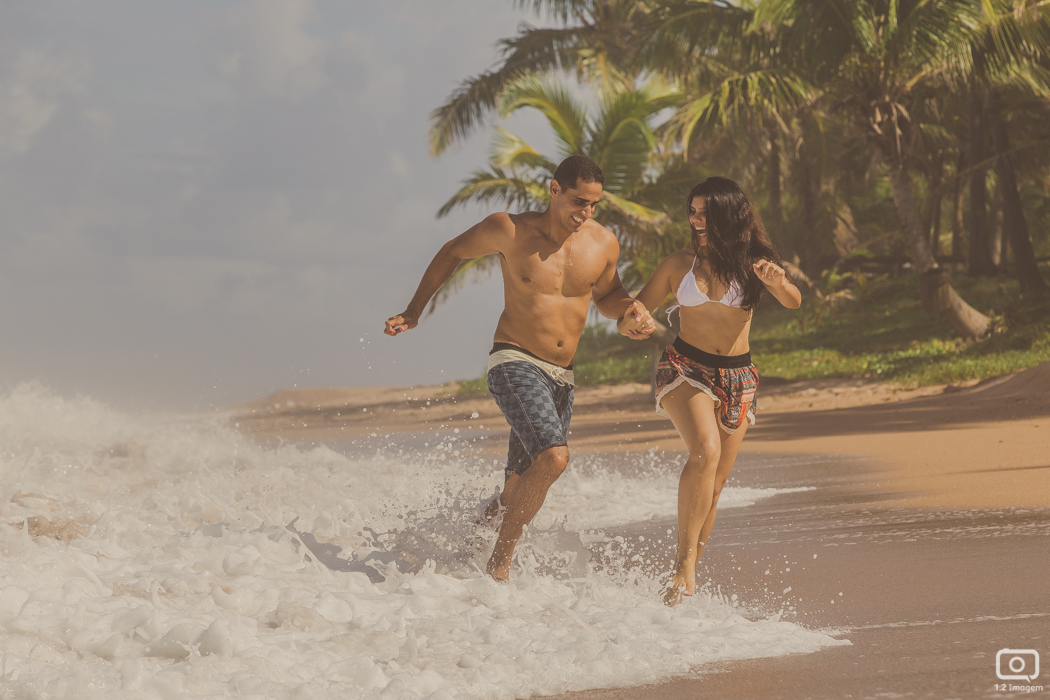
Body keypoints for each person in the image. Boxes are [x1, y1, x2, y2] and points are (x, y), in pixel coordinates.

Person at [385, 155, 655, 582]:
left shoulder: (603, 243)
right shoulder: (508, 230)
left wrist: (632, 309)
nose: (584, 214)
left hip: (562, 377)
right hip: (514, 361)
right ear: (554, 190)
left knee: (517, 489)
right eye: (577, 202)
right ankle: (499, 568)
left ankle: (468, 549)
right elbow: (452, 251)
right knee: (554, 458)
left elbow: (608, 297)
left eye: (593, 206)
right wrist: (414, 310)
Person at [622, 176, 801, 605]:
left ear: (729, 214)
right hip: (686, 367)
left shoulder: (757, 262)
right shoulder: (677, 264)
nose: (696, 220)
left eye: (705, 212)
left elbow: (793, 299)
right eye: (693, 211)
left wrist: (776, 282)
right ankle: (684, 564)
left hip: (739, 376)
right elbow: (635, 311)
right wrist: (633, 322)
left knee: (716, 484)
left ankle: (680, 587)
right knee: (705, 451)